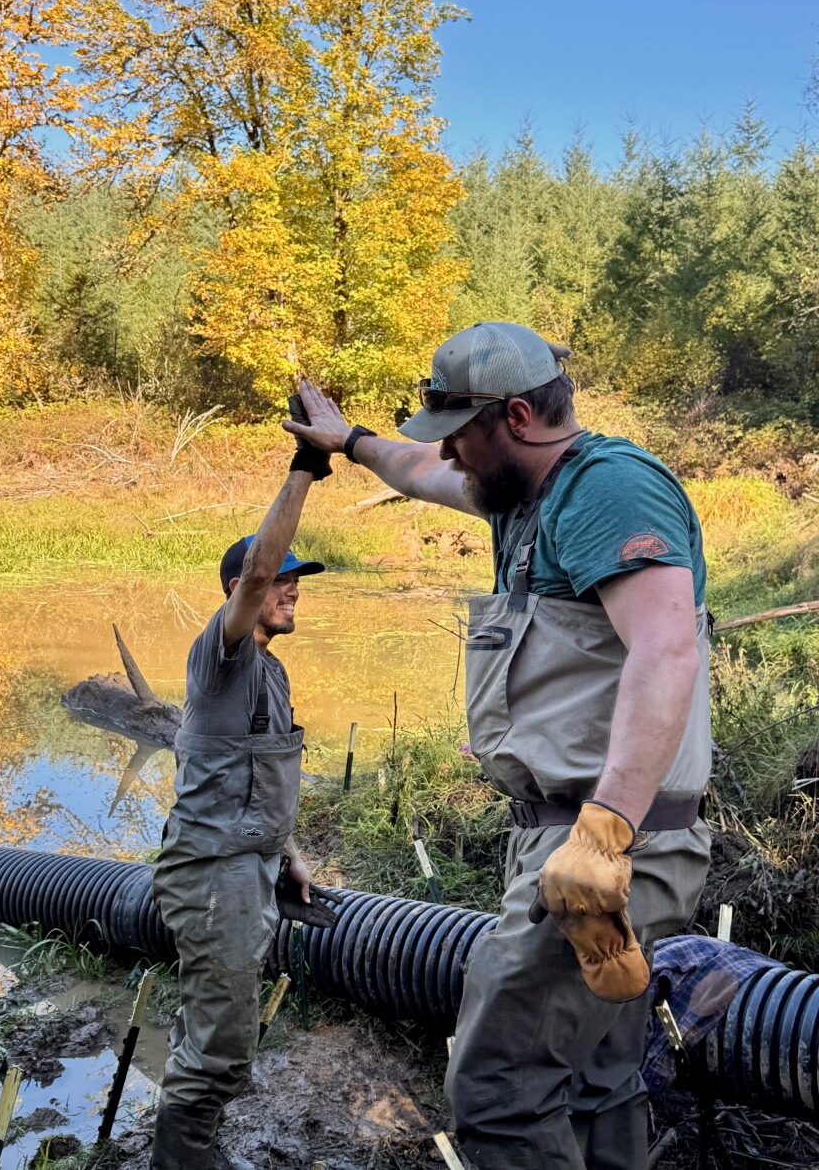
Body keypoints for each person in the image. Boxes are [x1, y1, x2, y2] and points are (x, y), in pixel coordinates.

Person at [284, 322, 713, 1170]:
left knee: (497, 1091)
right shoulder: (518, 489)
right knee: (596, 1080)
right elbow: (418, 471)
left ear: (516, 416)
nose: (447, 452)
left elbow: (667, 648)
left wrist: (603, 832)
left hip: (608, 847)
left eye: (460, 432)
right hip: (569, 840)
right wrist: (351, 442)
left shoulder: (607, 491)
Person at [150, 408, 336, 1169]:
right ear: (242, 588)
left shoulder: (272, 672)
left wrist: (285, 851)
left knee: (226, 1027)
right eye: (281, 580)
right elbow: (259, 568)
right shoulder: (219, 655)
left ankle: (194, 1147)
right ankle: (180, 1157)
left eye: (296, 582)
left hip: (248, 866)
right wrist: (307, 466)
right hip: (211, 871)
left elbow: (253, 772)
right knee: (223, 1042)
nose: (290, 590)